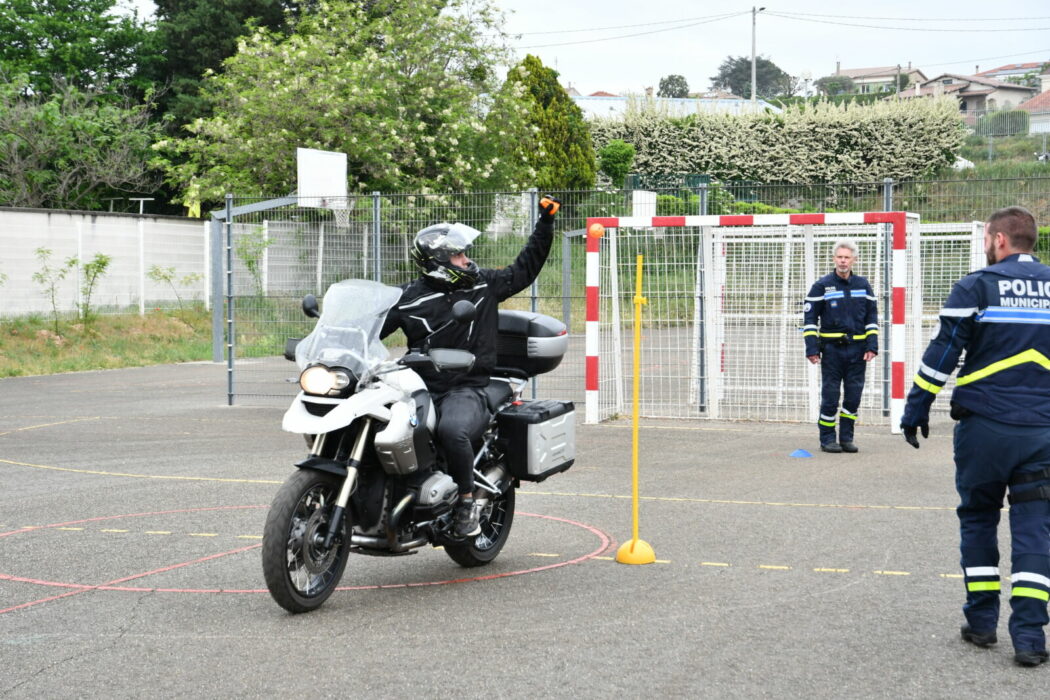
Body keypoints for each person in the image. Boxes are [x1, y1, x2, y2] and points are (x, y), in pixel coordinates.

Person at [900, 205, 1050, 668]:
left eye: (988, 237)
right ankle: (1029, 636)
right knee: (1035, 530)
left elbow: (943, 351)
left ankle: (982, 622)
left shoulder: (977, 286)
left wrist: (916, 407)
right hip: (1042, 431)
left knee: (979, 518)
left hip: (984, 428)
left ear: (1000, 240)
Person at [381, 196, 560, 537]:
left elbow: (524, 269)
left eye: (464, 253)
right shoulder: (408, 298)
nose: (466, 259)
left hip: (467, 386)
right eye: (458, 255)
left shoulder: (484, 286)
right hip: (417, 385)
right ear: (438, 262)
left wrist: (545, 224)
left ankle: (465, 501)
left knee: (452, 431)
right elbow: (370, 330)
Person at [802, 240, 879, 453]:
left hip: (858, 351)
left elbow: (872, 317)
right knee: (831, 395)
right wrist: (812, 349)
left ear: (854, 260)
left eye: (847, 257)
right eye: (839, 257)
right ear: (834, 259)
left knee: (854, 395)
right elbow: (809, 319)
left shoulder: (863, 285)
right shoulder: (822, 285)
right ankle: (827, 439)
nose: (843, 261)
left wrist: (872, 346)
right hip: (833, 351)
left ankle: (846, 438)